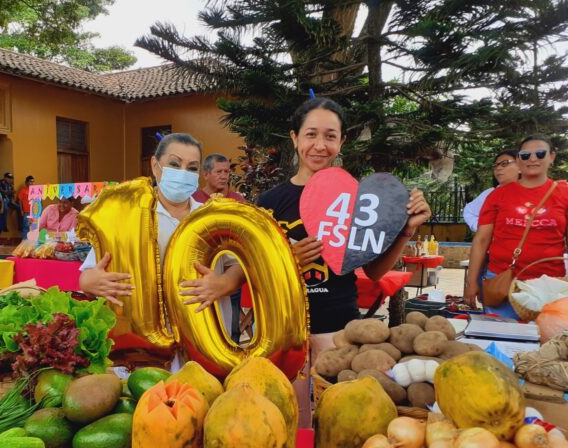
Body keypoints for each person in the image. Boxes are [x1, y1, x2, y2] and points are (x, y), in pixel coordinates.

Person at [257, 97, 431, 426]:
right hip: (284, 332)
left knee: (339, 423)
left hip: (340, 330)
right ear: (294, 138)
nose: (319, 145)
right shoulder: (270, 201)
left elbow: (374, 270)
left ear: (342, 142)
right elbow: (253, 269)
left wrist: (406, 230)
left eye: (330, 136)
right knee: (287, 423)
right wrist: (286, 259)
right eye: (310, 135)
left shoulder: (361, 200)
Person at [79, 133, 243, 326]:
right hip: (147, 339)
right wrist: (90, 282)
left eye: (191, 168)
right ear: (154, 165)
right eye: (174, 164)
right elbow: (88, 274)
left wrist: (224, 284)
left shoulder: (212, 217)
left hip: (204, 335)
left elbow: (238, 265)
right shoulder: (129, 218)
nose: (183, 173)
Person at [464, 135, 568, 317]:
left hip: (550, 286)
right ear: (519, 160)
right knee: (500, 340)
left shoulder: (563, 193)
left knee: (546, 341)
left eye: (540, 153)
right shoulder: (498, 195)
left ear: (551, 157)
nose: (533, 159)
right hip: (502, 282)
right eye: (526, 155)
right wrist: (471, 282)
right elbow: (481, 240)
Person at [193, 153, 247, 342]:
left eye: (227, 171)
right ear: (206, 174)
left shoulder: (238, 200)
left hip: (232, 270)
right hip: (202, 272)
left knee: (231, 326)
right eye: (219, 171)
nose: (224, 175)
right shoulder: (193, 200)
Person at [463, 150, 520, 232]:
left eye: (504, 163)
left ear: (521, 166)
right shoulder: (490, 194)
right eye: (496, 165)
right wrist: (483, 229)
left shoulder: (536, 191)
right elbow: (469, 211)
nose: (498, 168)